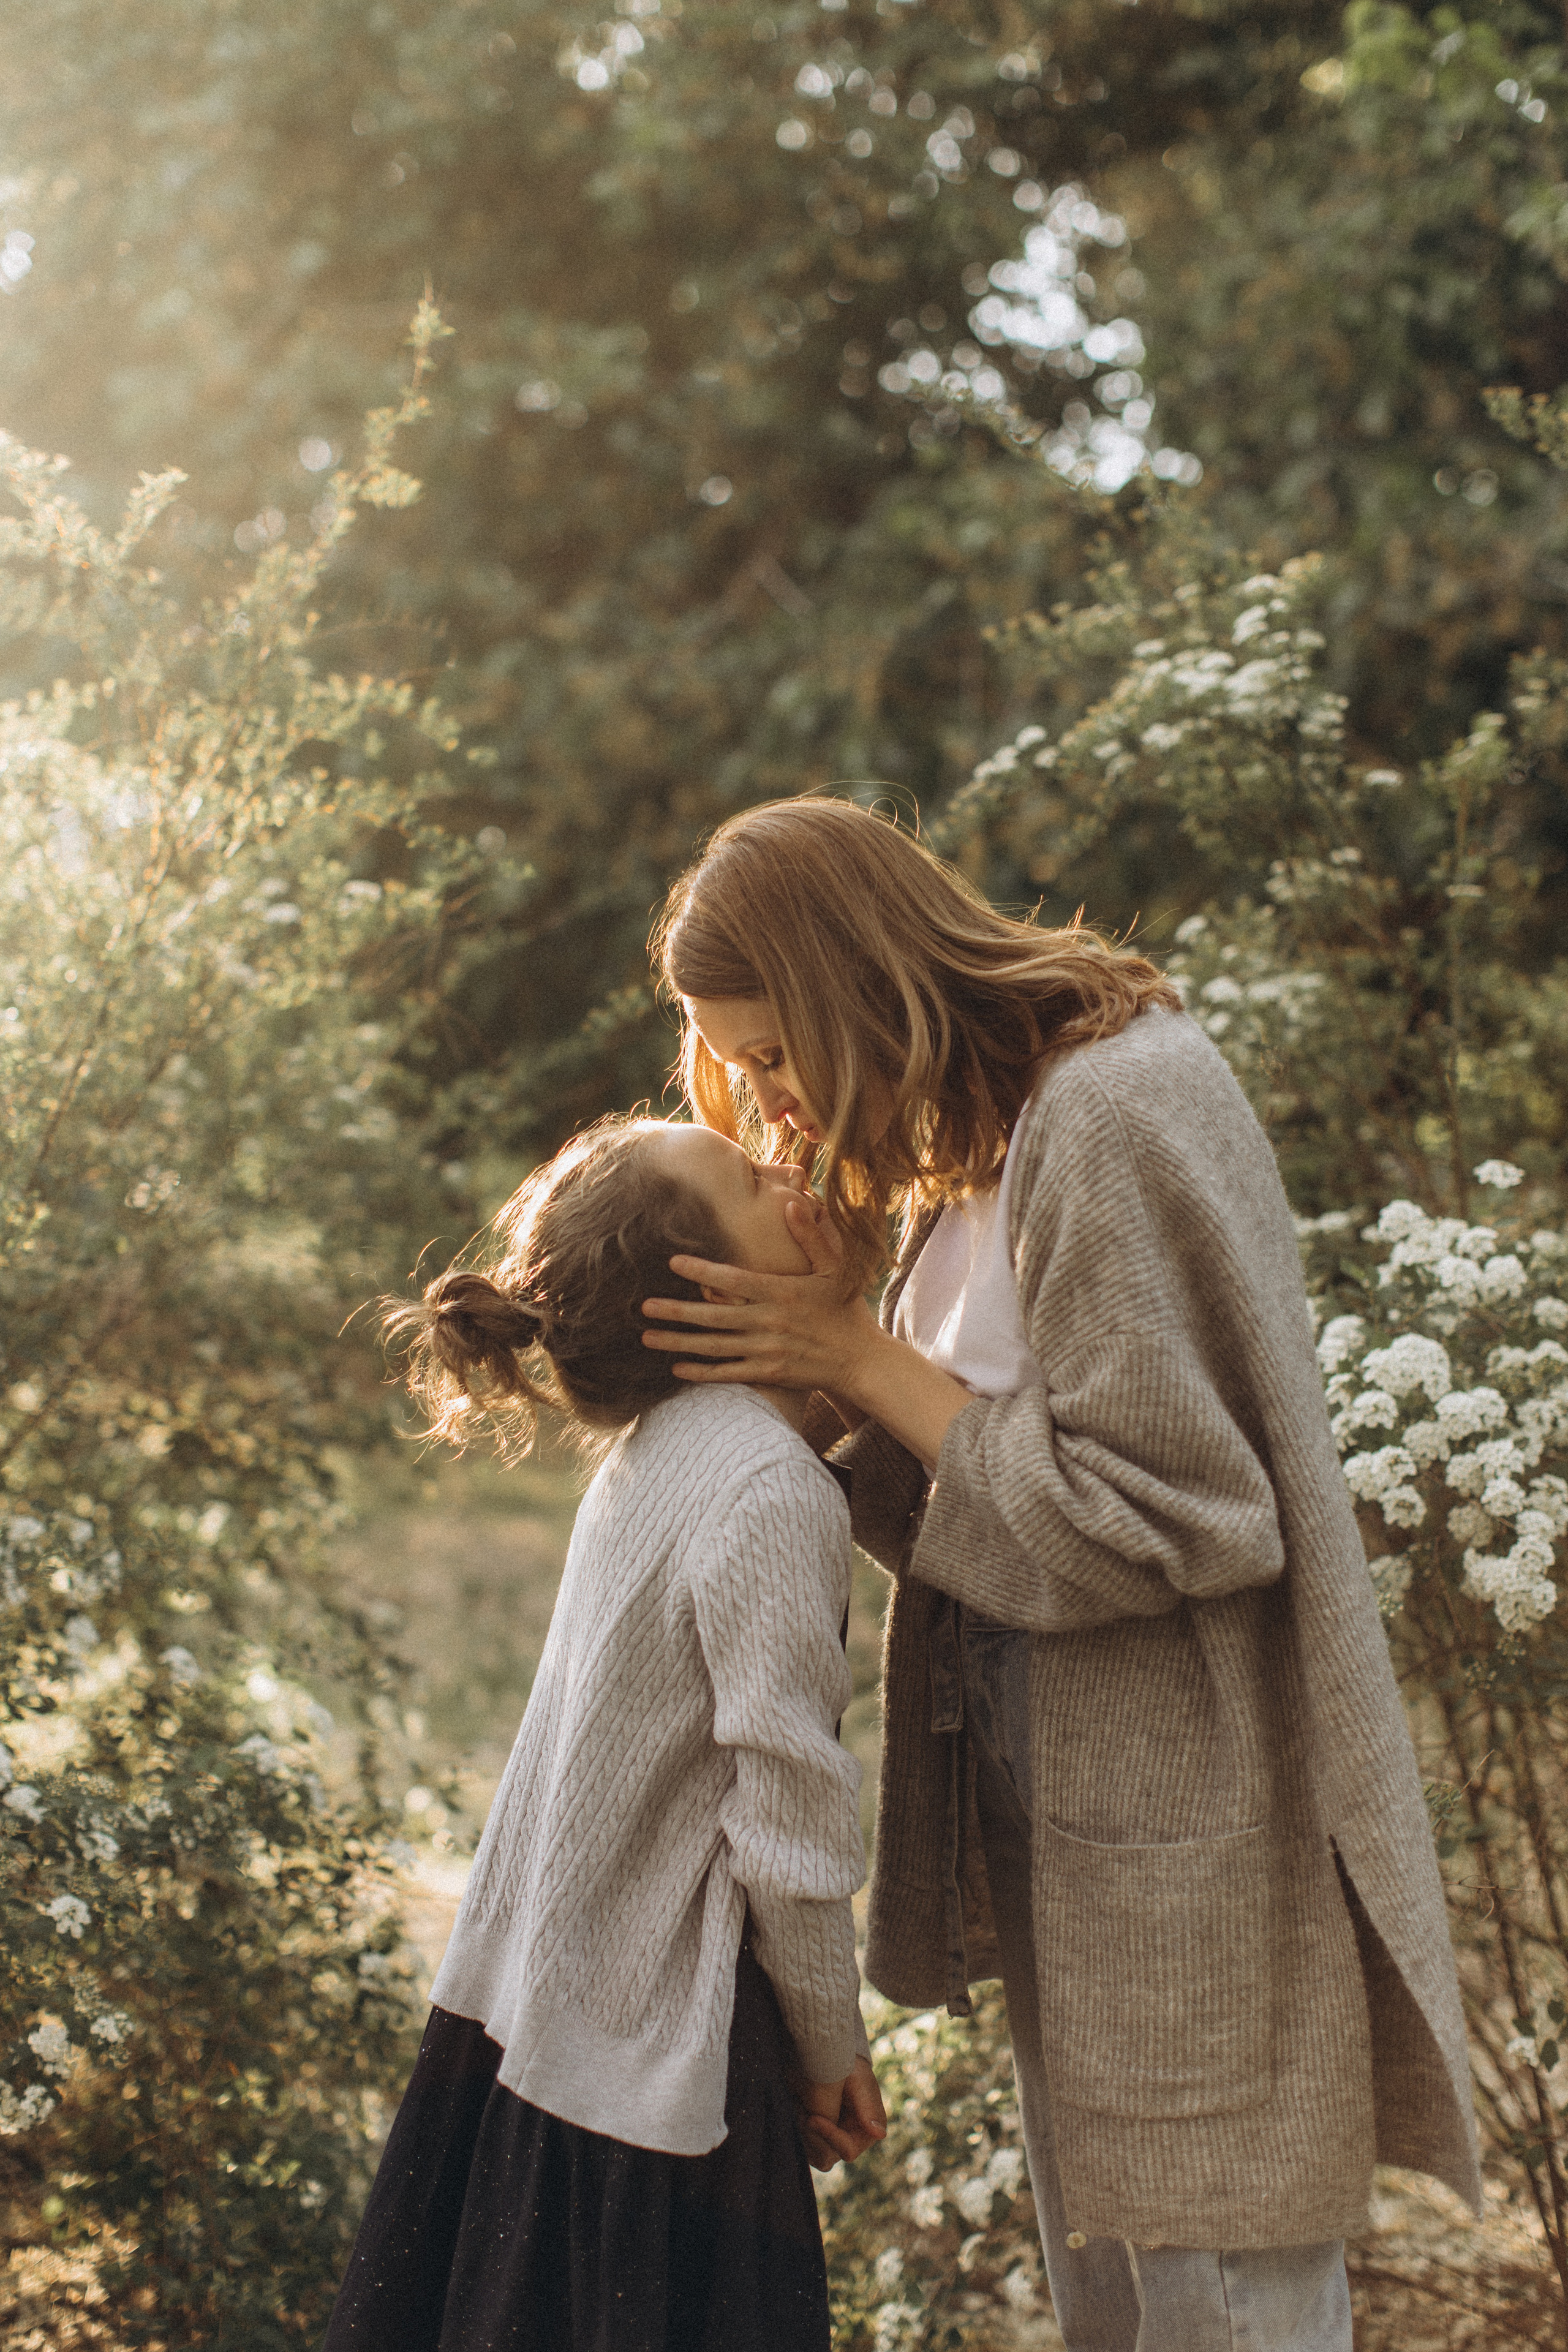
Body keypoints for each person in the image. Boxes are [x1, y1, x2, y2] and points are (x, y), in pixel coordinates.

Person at [642, 796, 1482, 2352]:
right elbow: (987, 1519)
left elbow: (1175, 1513)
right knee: (1122, 2289)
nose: (760, 1096)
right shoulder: (980, 1141)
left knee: (1216, 2294)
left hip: (1185, 1799)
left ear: (851, 984)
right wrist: (829, 1361)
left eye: (768, 1052)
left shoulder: (1108, 1105)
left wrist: (855, 1356)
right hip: (1071, 1815)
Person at [323, 1114, 886, 2352]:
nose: (790, 1170)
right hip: (660, 2061)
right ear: (705, 1295)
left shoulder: (658, 1454)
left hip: (537, 2018)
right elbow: (789, 1817)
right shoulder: (767, 1490)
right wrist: (829, 2045)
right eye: (751, 1178)